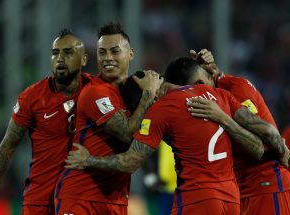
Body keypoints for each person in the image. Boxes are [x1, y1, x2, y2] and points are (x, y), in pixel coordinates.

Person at [65, 57, 284, 214]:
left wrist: (88, 160)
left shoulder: (163, 110)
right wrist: (225, 120)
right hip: (232, 200)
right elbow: (257, 147)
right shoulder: (219, 95)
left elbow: (130, 162)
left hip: (198, 199)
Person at [54, 23, 163, 215]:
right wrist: (148, 94)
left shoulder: (132, 91)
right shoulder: (96, 92)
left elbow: (139, 140)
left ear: (130, 54)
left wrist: (150, 176)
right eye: (102, 52)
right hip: (81, 198)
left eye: (114, 51)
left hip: (116, 200)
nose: (107, 58)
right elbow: (127, 132)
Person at [0, 29, 91, 215]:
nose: (60, 58)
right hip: (40, 201)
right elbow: (7, 145)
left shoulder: (97, 91)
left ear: (84, 59)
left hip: (79, 200)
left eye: (68, 53)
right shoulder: (33, 97)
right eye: (55, 53)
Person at [189, 49, 290, 214]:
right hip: (240, 190)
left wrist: (283, 152)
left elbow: (266, 137)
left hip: (266, 186)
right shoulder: (212, 98)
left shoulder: (237, 88)